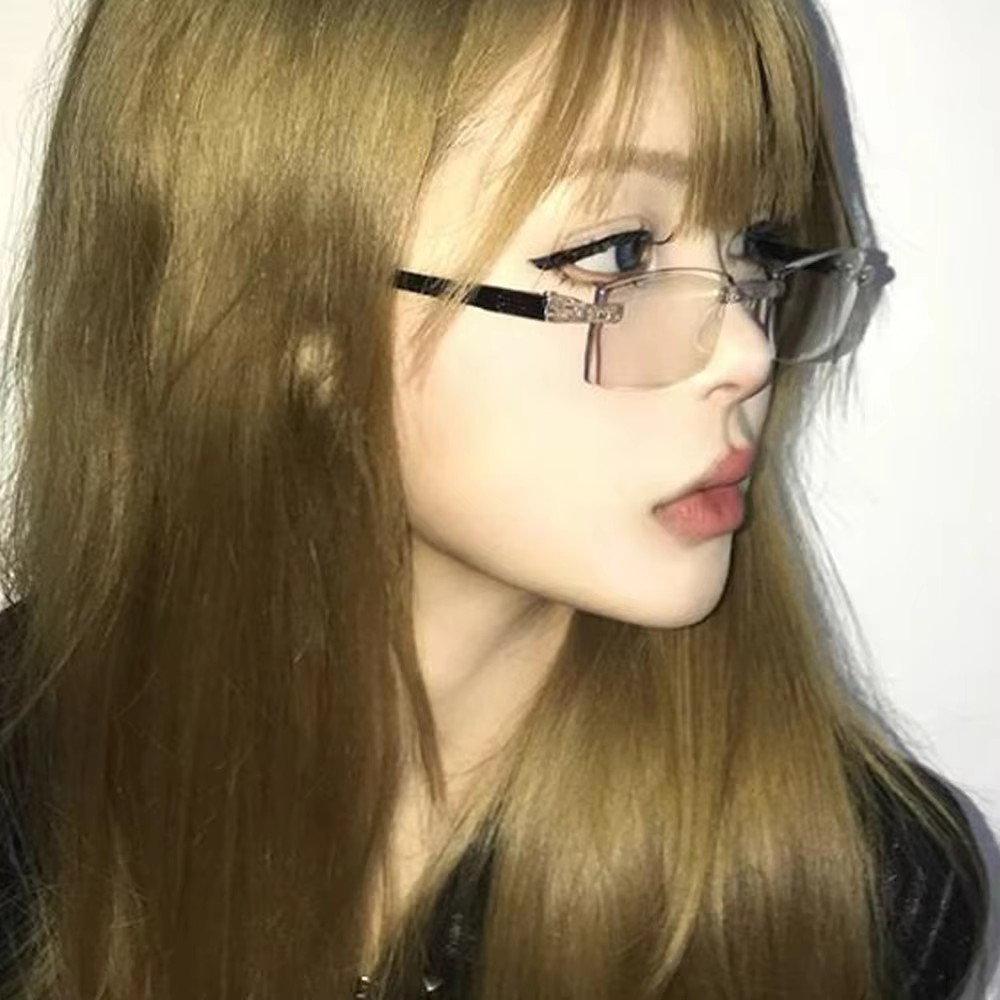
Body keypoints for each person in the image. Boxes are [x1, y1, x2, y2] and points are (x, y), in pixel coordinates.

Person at [0, 0, 991, 997]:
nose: (746, 350)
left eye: (758, 246)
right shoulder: (28, 781)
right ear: (288, 311)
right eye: (619, 253)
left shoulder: (853, 894)